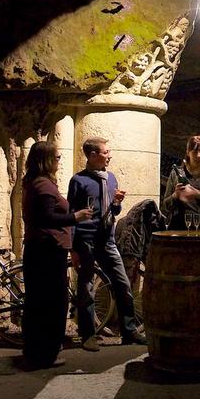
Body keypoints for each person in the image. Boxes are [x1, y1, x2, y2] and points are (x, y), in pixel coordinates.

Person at [67, 136, 147, 351]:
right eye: (106, 152)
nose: (109, 155)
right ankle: (88, 335)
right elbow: (71, 215)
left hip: (107, 240)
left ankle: (129, 331)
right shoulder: (79, 181)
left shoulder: (110, 178)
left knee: (122, 283)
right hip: (86, 241)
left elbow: (113, 211)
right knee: (87, 288)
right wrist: (73, 248)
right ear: (93, 155)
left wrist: (117, 203)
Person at [21, 141, 92, 369]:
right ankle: (44, 355)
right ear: (46, 160)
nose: (59, 162)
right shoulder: (42, 185)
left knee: (38, 303)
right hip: (47, 251)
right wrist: (75, 217)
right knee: (52, 303)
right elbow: (47, 218)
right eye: (57, 158)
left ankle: (36, 353)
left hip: (42, 249)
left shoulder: (36, 182)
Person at [161, 135, 200, 231]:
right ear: (188, 152)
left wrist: (197, 193)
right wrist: (175, 195)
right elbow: (165, 206)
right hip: (179, 229)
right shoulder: (177, 174)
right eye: (195, 151)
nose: (198, 155)